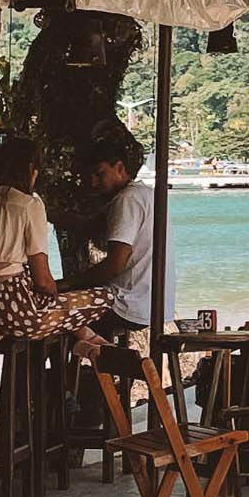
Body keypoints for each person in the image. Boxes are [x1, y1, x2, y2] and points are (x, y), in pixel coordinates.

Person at [0, 138, 109, 347]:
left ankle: (87, 340)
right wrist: (55, 293)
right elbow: (43, 281)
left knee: (52, 309)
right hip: (13, 315)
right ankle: (93, 345)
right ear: (29, 168)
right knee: (105, 297)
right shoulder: (28, 204)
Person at [63, 132, 172, 350]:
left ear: (120, 168)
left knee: (56, 312)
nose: (93, 182)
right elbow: (88, 226)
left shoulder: (127, 200)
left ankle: (80, 374)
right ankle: (95, 369)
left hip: (128, 303)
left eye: (99, 174)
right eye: (90, 176)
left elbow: (114, 266)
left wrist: (67, 284)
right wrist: (42, 212)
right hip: (155, 305)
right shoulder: (144, 194)